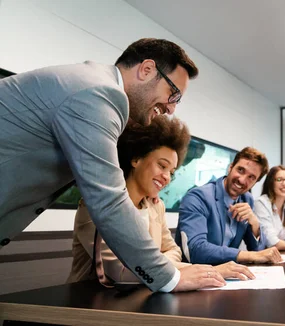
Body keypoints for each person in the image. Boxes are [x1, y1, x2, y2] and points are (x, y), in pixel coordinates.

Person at [0, 38, 220, 292]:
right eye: (174, 94)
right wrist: (170, 278)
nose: (171, 108)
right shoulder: (100, 94)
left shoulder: (92, 84)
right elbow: (108, 200)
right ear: (146, 69)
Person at [67, 116, 253, 284]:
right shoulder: (96, 205)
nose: (166, 177)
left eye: (171, 172)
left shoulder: (156, 207)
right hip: (91, 304)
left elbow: (174, 250)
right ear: (136, 158)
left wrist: (156, 263)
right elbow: (121, 272)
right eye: (162, 166)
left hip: (145, 296)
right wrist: (209, 271)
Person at [176, 147, 282, 265]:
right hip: (196, 275)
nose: (242, 180)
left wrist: (255, 224)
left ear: (255, 182)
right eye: (240, 170)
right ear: (230, 167)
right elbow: (195, 250)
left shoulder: (247, 199)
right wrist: (247, 255)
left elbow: (258, 251)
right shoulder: (197, 197)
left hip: (227, 275)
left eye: (251, 177)